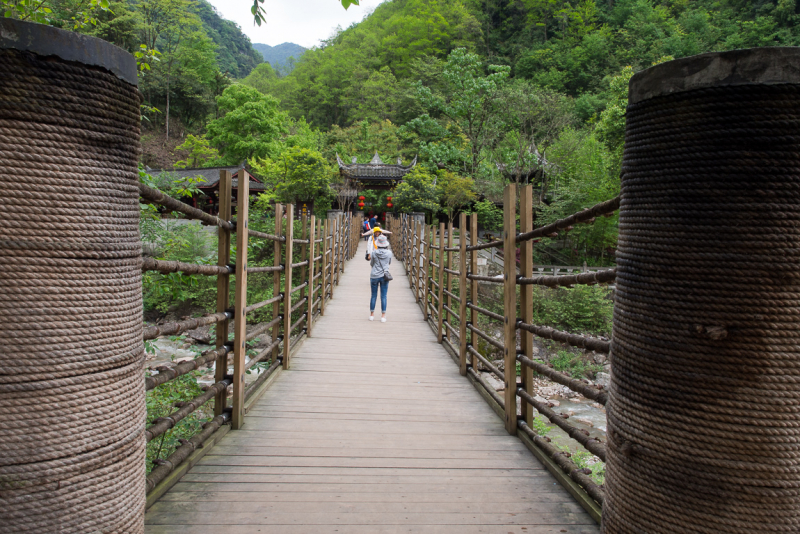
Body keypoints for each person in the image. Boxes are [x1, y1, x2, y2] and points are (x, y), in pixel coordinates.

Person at [369, 233, 393, 322]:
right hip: (384, 276)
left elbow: (372, 264)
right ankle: (383, 316)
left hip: (374, 275)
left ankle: (372, 315)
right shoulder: (389, 253)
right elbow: (389, 262)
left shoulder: (374, 252)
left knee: (373, 295)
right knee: (383, 296)